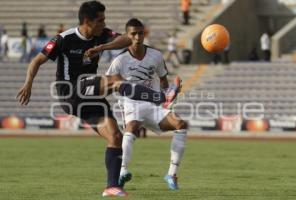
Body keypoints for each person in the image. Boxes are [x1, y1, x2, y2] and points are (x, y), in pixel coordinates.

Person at [16, 1, 178, 197]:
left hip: (91, 96)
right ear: (87, 21)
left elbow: (128, 39)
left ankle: (111, 187)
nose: (104, 23)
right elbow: (37, 60)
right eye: (100, 20)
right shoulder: (63, 39)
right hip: (71, 92)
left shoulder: (101, 34)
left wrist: (102, 46)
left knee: (115, 136)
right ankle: (161, 97)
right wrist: (28, 83)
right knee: (116, 80)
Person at [106, 18, 188, 190]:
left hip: (153, 105)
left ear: (144, 34)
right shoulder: (119, 60)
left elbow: (164, 81)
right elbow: (108, 83)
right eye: (133, 34)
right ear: (127, 36)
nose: (137, 37)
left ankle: (172, 174)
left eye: (140, 33)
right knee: (132, 126)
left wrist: (169, 95)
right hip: (131, 103)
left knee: (180, 124)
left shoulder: (156, 55)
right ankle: (122, 172)